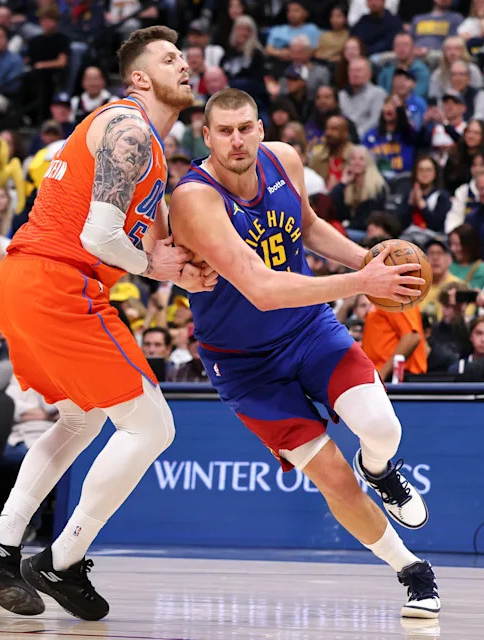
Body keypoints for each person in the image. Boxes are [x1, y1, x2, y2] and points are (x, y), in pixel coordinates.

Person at [0, 28, 215, 622]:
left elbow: (121, 239)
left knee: (82, 419)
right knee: (153, 426)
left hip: (24, 280)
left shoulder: (144, 140)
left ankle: (0, 543)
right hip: (57, 280)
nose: (185, 64)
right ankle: (63, 560)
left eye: (185, 56)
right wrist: (157, 265)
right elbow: (99, 238)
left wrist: (173, 272)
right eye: (169, 58)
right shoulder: (128, 128)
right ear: (139, 78)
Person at [170, 88, 440, 619]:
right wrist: (361, 280)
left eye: (245, 127)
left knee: (383, 430)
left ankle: (381, 469)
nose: (237, 139)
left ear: (261, 128)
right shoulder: (194, 198)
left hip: (309, 330)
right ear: (206, 137)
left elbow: (310, 228)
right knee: (334, 477)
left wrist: (371, 264)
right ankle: (411, 570)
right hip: (246, 364)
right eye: (224, 131)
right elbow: (262, 289)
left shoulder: (286, 160)